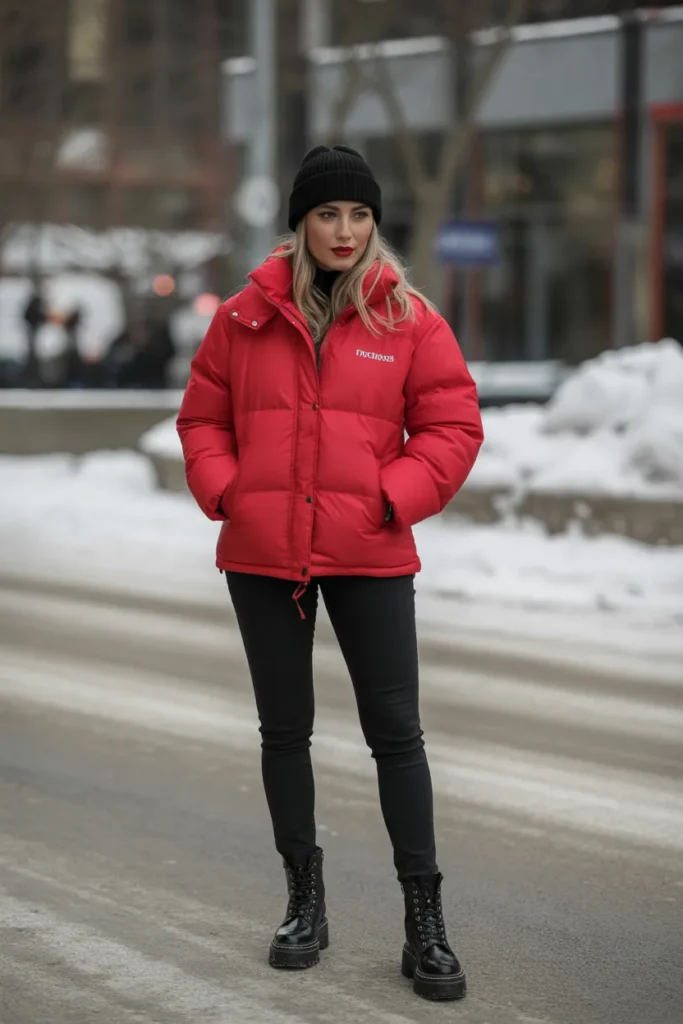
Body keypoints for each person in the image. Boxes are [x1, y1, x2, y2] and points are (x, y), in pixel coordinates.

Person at [177, 145, 483, 1002]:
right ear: (299, 224)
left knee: (397, 733)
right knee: (284, 731)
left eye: (358, 215)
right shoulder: (241, 318)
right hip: (263, 554)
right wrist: (229, 491)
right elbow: (203, 416)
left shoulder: (409, 320)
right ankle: (302, 905)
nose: (344, 231)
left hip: (370, 552)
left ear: (375, 223)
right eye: (326, 214)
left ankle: (424, 922)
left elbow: (452, 429)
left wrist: (390, 497)